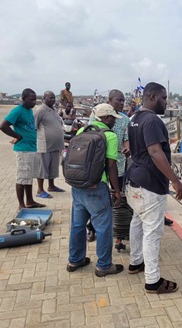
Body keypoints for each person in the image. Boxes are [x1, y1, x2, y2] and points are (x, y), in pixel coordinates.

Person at [126, 82, 182, 294]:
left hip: (135, 181)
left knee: (137, 221)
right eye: (164, 98)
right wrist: (175, 181)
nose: (166, 102)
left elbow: (133, 149)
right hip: (150, 183)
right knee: (152, 231)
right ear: (152, 96)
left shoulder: (135, 119)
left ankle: (135, 262)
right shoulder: (151, 120)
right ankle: (152, 280)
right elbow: (155, 151)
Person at [67, 103, 124, 277]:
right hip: (97, 188)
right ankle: (104, 265)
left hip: (77, 186)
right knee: (103, 227)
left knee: (77, 225)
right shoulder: (109, 136)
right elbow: (111, 165)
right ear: (106, 118)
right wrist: (116, 190)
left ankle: (75, 260)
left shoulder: (81, 132)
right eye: (113, 118)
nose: (114, 121)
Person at [87, 89, 131, 242]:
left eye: (123, 101)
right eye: (119, 100)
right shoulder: (96, 115)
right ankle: (92, 228)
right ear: (110, 101)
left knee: (116, 198)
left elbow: (126, 138)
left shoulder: (125, 120)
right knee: (97, 199)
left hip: (117, 163)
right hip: (98, 165)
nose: (122, 103)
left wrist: (127, 147)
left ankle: (118, 231)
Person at [0, 88, 45, 210]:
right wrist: (17, 136)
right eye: (31, 100)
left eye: (35, 99)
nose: (34, 102)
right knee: (22, 177)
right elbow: (3, 126)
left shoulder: (29, 110)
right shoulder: (18, 110)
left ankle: (30, 201)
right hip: (23, 149)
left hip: (31, 148)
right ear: (23, 99)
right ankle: (21, 205)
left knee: (28, 176)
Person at [34, 91, 65, 198]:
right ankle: (39, 190)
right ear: (44, 98)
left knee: (53, 167)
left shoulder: (54, 110)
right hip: (44, 145)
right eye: (50, 98)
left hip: (55, 146)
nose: (52, 100)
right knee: (42, 168)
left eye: (53, 98)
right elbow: (33, 125)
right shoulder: (40, 110)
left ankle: (51, 186)